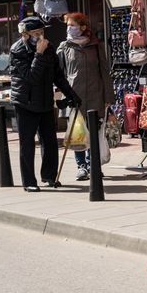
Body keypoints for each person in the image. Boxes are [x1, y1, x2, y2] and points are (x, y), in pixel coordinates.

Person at [9, 16, 78, 192]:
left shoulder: (48, 48)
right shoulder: (17, 50)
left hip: (46, 101)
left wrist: (71, 95)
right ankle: (29, 181)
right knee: (28, 143)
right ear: (25, 34)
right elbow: (31, 77)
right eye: (35, 33)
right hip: (26, 102)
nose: (40, 36)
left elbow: (58, 75)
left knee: (50, 141)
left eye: (42, 32)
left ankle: (49, 175)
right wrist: (39, 54)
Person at [56, 12, 114, 181]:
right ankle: (81, 166)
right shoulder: (64, 47)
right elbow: (59, 74)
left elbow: (104, 72)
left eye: (72, 25)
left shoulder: (96, 45)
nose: (69, 29)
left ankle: (93, 164)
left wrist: (108, 97)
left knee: (94, 131)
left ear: (82, 27)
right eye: (67, 26)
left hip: (96, 94)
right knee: (78, 133)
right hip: (74, 96)